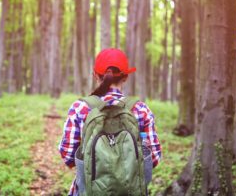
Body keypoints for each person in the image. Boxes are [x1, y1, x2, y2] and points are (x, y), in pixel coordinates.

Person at [58, 48, 161, 196]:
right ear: (125, 77)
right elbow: (153, 158)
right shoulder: (140, 110)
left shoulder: (80, 108)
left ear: (95, 75)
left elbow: (68, 155)